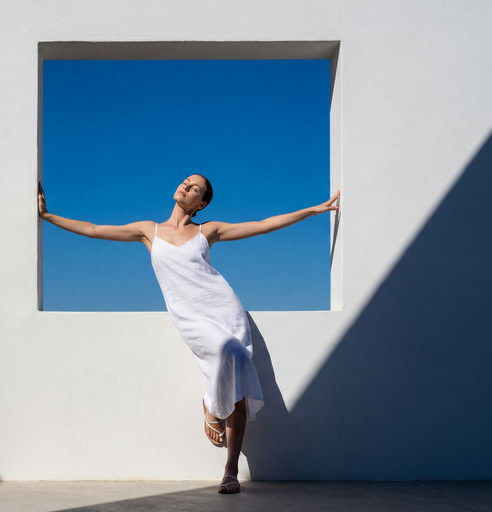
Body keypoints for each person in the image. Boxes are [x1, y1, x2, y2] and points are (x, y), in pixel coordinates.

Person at [37, 174, 341, 494]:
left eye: (194, 188)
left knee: (235, 364)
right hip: (190, 318)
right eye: (185, 182)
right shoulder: (148, 231)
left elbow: (264, 224)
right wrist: (48, 216)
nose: (185, 186)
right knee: (230, 354)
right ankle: (211, 403)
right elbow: (94, 230)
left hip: (224, 310)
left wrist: (311, 210)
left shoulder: (206, 231)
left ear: (202, 203)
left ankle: (230, 469)